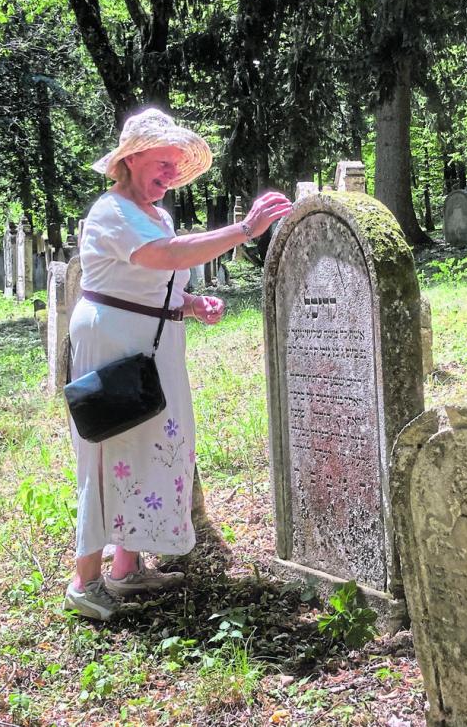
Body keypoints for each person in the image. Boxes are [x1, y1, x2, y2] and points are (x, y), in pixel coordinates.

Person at [64, 107, 292, 620]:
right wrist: (244, 230)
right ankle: (85, 581)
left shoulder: (156, 214)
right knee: (108, 447)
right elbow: (163, 257)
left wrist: (191, 304)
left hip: (157, 345)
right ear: (132, 159)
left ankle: (126, 568)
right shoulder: (109, 211)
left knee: (154, 445)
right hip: (111, 342)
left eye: (176, 166)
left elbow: (161, 279)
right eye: (162, 163)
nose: (170, 175)